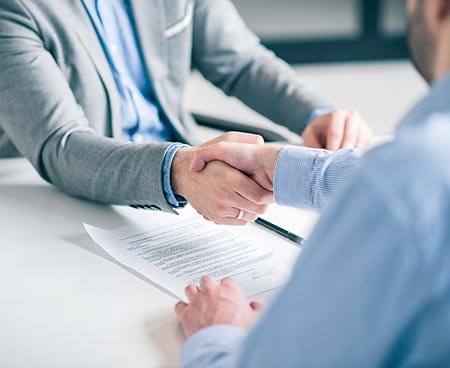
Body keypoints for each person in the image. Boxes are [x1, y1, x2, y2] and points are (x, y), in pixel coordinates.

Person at [175, 0, 450, 366]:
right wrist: (282, 167)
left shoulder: (405, 184)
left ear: (437, 7)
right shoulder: (413, 176)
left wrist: (218, 332)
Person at [0, 0, 371, 226]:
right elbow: (62, 145)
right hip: (62, 195)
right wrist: (178, 171)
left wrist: (315, 114)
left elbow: (241, 62)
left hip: (187, 185)